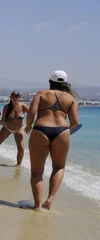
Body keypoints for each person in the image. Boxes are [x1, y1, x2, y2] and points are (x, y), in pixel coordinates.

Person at [25, 71, 79, 211]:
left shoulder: (41, 94)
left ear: (50, 82)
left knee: (37, 172)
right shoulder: (71, 98)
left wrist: (28, 126)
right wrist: (66, 131)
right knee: (59, 167)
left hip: (41, 130)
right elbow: (75, 121)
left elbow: (31, 114)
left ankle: (37, 206)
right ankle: (50, 199)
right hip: (62, 132)